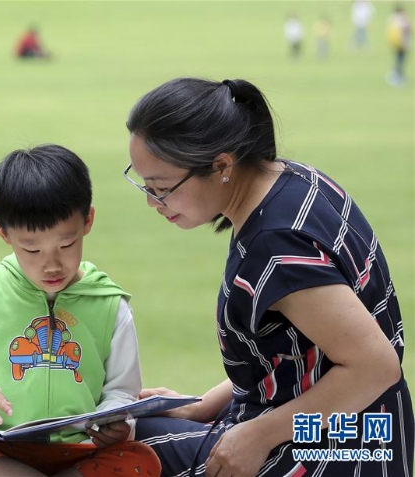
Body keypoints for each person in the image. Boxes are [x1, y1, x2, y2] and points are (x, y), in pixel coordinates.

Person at [122, 77, 413, 476]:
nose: (152, 202)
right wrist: (208, 403)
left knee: (123, 448)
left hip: (337, 451)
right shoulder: (292, 180)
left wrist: (257, 436)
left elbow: (375, 366)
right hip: (346, 429)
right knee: (136, 429)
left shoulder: (276, 246)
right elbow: (295, 356)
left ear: (222, 165)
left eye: (161, 188)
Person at [0, 145, 161, 477]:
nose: (51, 264)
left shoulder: (111, 304)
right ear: (3, 232)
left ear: (88, 221)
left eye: (66, 245)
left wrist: (115, 420)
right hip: (3, 449)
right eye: (31, 249)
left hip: (79, 451)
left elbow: (122, 391)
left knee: (140, 459)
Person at [386, 4, 412, 87]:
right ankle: (397, 77)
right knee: (400, 60)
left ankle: (398, 75)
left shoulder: (394, 19)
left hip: (398, 44)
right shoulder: (399, 21)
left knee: (400, 60)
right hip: (401, 44)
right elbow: (405, 31)